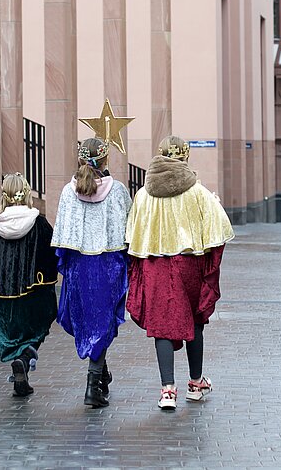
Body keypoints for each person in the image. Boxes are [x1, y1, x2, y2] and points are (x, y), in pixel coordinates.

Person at [126, 135, 234, 410]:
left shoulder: (143, 194)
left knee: (162, 324)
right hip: (188, 265)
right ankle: (196, 384)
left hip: (155, 266)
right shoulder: (197, 192)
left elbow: (132, 235)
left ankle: (167, 391)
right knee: (194, 318)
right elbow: (218, 227)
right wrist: (216, 203)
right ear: (185, 158)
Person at [51, 137, 133, 408]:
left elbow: (62, 236)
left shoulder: (67, 191)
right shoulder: (118, 190)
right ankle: (92, 386)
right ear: (106, 159)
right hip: (107, 265)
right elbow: (128, 230)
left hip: (78, 267)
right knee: (103, 323)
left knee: (90, 324)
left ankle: (101, 376)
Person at [0, 172, 58, 397]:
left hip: (5, 295)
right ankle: (25, 359)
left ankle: (19, 362)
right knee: (35, 331)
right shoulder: (39, 224)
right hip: (35, 293)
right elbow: (51, 256)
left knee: (10, 335)